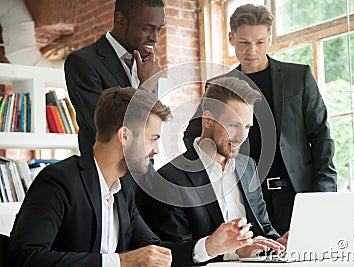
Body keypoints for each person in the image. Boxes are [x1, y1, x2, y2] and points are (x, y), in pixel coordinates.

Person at [7, 87, 254, 267]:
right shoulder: (58, 181)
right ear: (124, 136)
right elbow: (24, 257)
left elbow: (157, 251)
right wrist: (120, 261)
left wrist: (211, 245)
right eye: (153, 138)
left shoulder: (124, 188)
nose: (156, 150)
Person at [183, 4, 337, 235]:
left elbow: (322, 138)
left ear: (269, 38)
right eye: (244, 42)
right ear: (231, 38)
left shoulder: (299, 77)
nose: (252, 50)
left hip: (298, 195)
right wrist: (220, 177)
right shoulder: (218, 86)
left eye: (260, 42)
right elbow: (193, 136)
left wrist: (324, 196)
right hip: (245, 199)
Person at [144, 77, 288, 263]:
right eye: (233, 125)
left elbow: (264, 227)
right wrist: (235, 252)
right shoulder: (169, 178)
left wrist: (279, 243)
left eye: (247, 127)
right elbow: (175, 253)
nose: (241, 137)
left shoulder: (247, 167)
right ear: (208, 120)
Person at [65, 0, 164, 153]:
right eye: (147, 28)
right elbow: (108, 131)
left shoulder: (148, 66)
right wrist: (146, 87)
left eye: (159, 30)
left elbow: (150, 128)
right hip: (104, 174)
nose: (155, 38)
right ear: (120, 21)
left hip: (143, 173)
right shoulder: (83, 62)